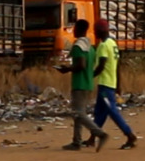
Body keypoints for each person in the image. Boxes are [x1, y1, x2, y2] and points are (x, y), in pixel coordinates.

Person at [55, 19, 108, 152]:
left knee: (78, 113)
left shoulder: (78, 46)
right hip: (88, 82)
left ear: (79, 29)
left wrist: (66, 69)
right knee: (79, 113)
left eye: (75, 28)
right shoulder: (90, 47)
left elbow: (81, 65)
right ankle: (76, 141)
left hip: (80, 83)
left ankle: (99, 133)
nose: (73, 31)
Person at [91, 18, 138, 149]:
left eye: (95, 31)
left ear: (100, 31)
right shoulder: (113, 43)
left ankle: (129, 135)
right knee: (100, 111)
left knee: (112, 111)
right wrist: (118, 85)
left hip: (105, 85)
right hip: (110, 83)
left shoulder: (103, 46)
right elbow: (117, 66)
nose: (95, 33)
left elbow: (101, 66)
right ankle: (92, 137)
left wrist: (90, 76)